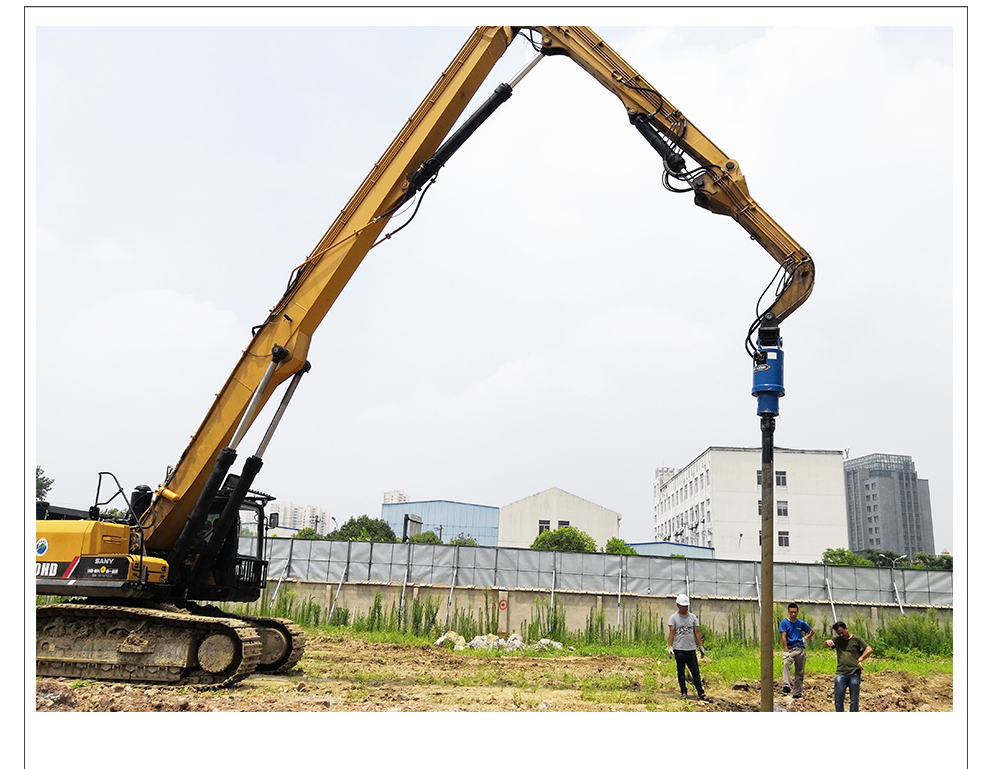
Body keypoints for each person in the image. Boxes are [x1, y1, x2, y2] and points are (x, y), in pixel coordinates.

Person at [667, 594, 711, 701]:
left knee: (695, 671)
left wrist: (700, 646)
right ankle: (683, 692)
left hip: (691, 649)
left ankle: (701, 693)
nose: (685, 608)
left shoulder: (692, 617)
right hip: (679, 649)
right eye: (683, 606)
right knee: (680, 671)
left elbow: (697, 632)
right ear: (678, 605)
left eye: (686, 606)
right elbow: (672, 633)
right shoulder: (674, 618)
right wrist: (670, 647)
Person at [823, 621, 873, 712]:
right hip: (841, 673)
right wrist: (827, 642)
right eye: (839, 633)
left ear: (846, 629)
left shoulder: (856, 640)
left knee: (854, 700)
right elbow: (825, 645)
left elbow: (869, 649)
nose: (841, 635)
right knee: (838, 699)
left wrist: (860, 659)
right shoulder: (838, 640)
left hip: (854, 673)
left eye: (842, 632)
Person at [779, 602, 814, 698]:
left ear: (797, 612)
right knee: (786, 664)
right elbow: (784, 636)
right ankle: (786, 686)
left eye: (795, 612)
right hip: (790, 648)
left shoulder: (800, 623)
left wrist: (805, 638)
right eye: (791, 612)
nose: (793, 614)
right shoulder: (784, 623)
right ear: (788, 612)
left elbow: (811, 631)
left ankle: (797, 692)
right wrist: (785, 650)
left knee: (800, 671)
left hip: (800, 648)